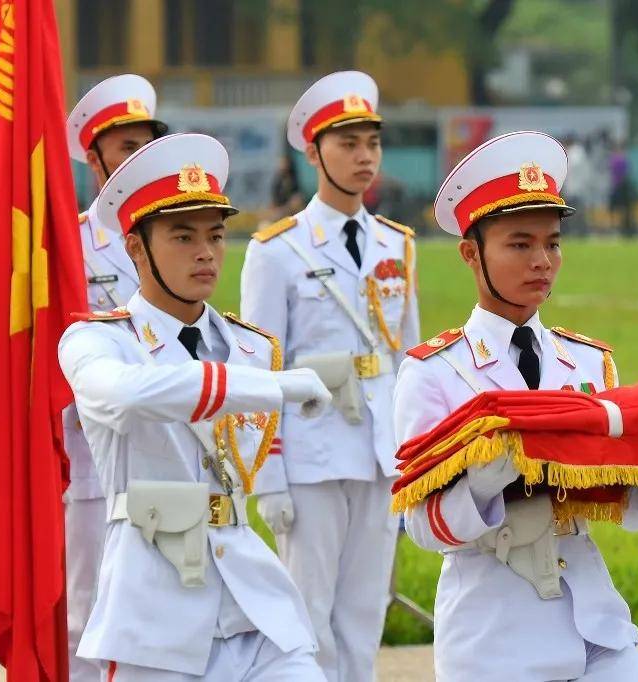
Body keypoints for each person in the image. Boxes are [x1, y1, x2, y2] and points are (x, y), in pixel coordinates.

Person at [395, 130, 638, 681]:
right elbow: (422, 528)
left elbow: (628, 505)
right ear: (472, 253)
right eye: (520, 244)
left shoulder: (588, 363)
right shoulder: (434, 372)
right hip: (494, 631)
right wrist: (482, 481)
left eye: (553, 242)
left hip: (592, 620)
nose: (542, 260)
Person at [58, 133, 331, 681]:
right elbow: (131, 396)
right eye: (183, 236)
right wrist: (266, 387)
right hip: (153, 604)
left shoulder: (251, 346)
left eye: (215, 235)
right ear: (135, 248)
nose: (206, 252)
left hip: (251, 597)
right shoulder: (96, 341)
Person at [240, 70, 420, 682]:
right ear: (313, 152)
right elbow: (258, 372)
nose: (365, 156)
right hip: (311, 453)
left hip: (380, 452)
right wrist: (268, 478)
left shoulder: (396, 245)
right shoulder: (276, 250)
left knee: (364, 612)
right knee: (305, 613)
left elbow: (409, 360)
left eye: (372, 142)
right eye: (348, 144)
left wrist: (415, 452)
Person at [63, 73, 167, 680]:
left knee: (161, 605)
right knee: (89, 606)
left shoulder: (168, 235)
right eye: (125, 147)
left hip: (167, 446)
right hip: (92, 450)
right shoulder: (69, 243)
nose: (137, 159)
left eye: (146, 146)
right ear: (94, 157)